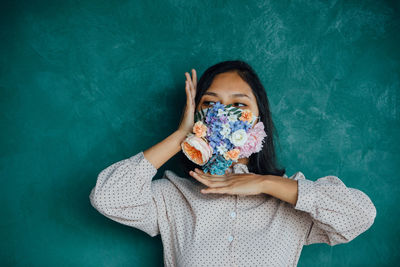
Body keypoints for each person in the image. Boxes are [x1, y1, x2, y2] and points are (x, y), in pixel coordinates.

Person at [89, 60, 377, 267]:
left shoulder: (291, 200)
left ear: (259, 117)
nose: (222, 113)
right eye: (209, 104)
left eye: (239, 105)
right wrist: (181, 136)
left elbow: (360, 215)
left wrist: (265, 183)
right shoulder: (173, 197)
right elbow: (108, 197)